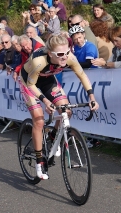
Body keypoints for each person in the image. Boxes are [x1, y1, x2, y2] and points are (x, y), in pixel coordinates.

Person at [18, 34, 99, 179]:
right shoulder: (39, 61)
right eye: (60, 54)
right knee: (39, 119)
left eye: (67, 52)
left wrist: (92, 97)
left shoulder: (69, 57)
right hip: (28, 82)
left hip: (48, 79)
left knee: (66, 111)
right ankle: (39, 161)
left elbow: (82, 75)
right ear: (50, 54)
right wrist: (45, 101)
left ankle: (52, 136)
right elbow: (30, 84)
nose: (64, 57)